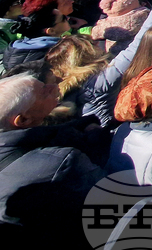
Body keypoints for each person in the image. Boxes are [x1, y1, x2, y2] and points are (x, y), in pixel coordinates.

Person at [0, 74, 105, 246]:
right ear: (23, 119)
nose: (54, 87)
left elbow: (39, 135)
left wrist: (83, 124)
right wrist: (98, 139)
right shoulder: (62, 161)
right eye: (44, 92)